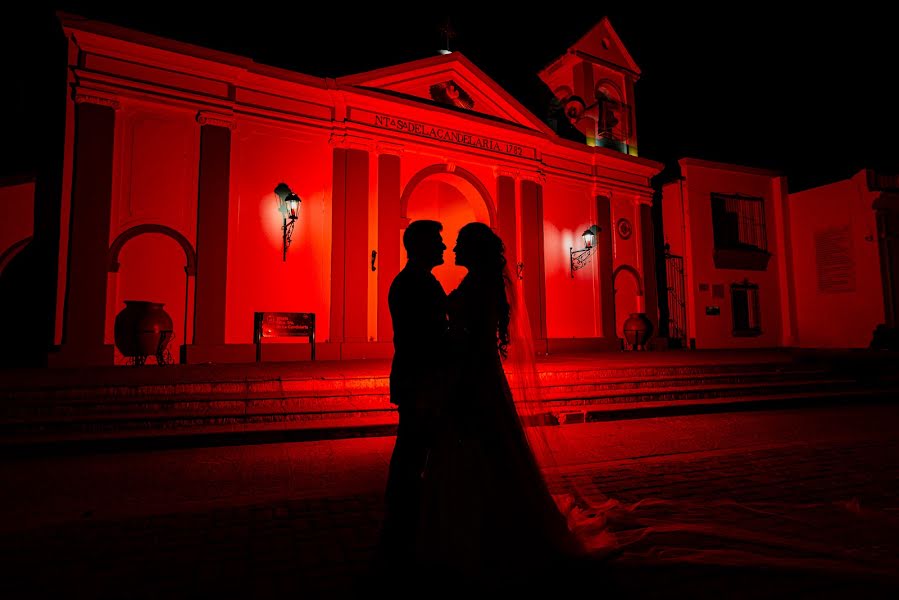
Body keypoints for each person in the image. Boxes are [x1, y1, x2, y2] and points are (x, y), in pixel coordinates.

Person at [415, 222, 588, 590]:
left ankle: (479, 532)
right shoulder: (483, 282)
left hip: (473, 375)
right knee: (491, 447)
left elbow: (466, 335)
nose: (454, 248)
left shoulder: (478, 285)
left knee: (481, 446)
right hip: (480, 373)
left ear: (474, 250)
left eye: (460, 243)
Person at [374, 219, 448, 570]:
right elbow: (423, 337)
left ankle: (406, 510)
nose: (444, 247)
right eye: (437, 241)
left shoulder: (421, 281)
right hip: (420, 379)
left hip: (423, 379)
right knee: (412, 447)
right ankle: (401, 513)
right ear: (419, 246)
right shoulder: (410, 284)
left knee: (415, 446)